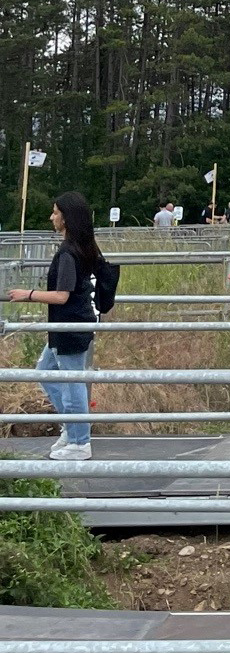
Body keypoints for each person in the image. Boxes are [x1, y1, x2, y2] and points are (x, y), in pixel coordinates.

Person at [7, 192, 105, 460]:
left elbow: (62, 295)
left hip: (69, 326)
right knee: (45, 371)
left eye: (55, 213)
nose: (52, 217)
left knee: (71, 382)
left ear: (67, 218)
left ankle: (79, 441)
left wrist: (27, 294)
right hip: (70, 325)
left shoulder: (67, 253)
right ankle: (72, 427)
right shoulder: (83, 247)